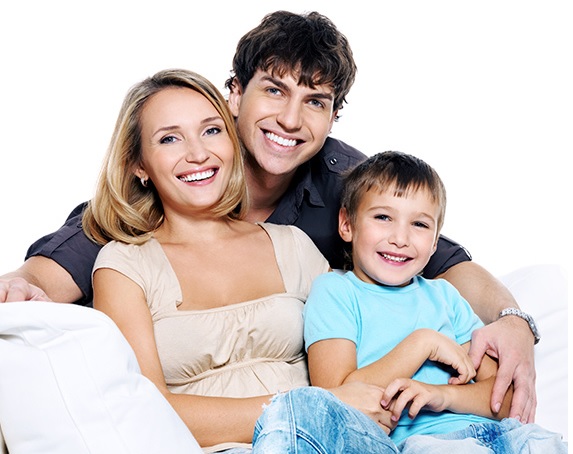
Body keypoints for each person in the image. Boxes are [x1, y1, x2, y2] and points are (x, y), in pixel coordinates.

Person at [0, 10, 537, 423]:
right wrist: (21, 285)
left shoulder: (348, 186)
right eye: (274, 91)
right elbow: (72, 253)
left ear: (333, 116)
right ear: (235, 94)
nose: (290, 119)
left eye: (315, 101)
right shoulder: (179, 176)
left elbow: (438, 259)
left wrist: (512, 321)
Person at [84, 67, 402, 453]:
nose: (198, 153)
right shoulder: (124, 266)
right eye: (169, 138)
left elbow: (367, 348)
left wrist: (434, 346)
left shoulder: (292, 246)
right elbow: (145, 411)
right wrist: (310, 408)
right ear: (139, 164)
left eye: (212, 130)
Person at [303, 151, 567, 452]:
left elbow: (505, 399)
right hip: (423, 443)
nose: (400, 238)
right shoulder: (335, 292)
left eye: (419, 224)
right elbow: (334, 401)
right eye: (383, 217)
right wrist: (422, 344)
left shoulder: (445, 296)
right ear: (347, 224)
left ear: (434, 242)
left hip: (500, 434)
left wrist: (441, 395)